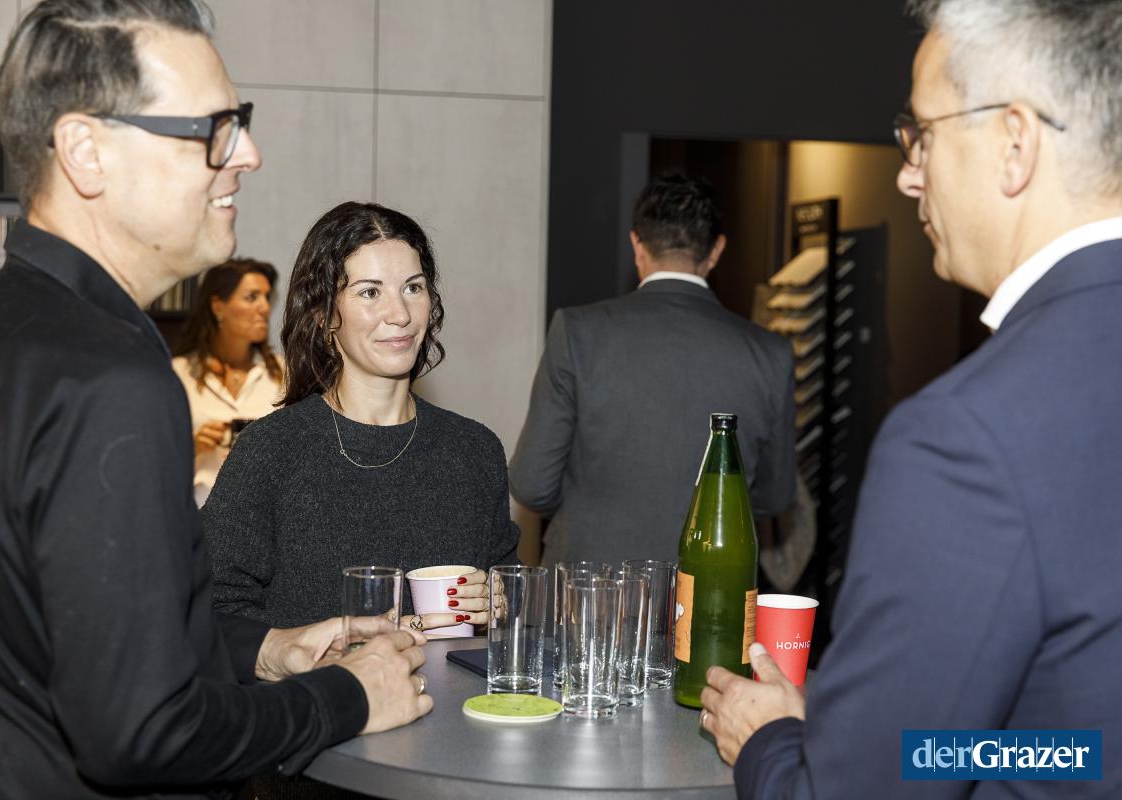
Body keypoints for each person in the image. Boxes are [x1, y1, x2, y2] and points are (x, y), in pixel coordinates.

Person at [0, 3, 431, 798]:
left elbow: (85, 644)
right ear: (86, 152)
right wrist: (349, 695)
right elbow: (142, 733)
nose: (248, 155)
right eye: (213, 129)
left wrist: (269, 651)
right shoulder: (111, 378)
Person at [700, 1, 1122, 797]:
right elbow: (1082, 748)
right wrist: (889, 735)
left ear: (1015, 143)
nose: (906, 173)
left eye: (921, 132)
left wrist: (773, 740)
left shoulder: (965, 437)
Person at [203, 201, 519, 629]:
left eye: (413, 288)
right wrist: (327, 647)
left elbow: (511, 592)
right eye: (370, 292)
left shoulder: (474, 449)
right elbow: (214, 609)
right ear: (323, 315)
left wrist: (498, 605)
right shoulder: (271, 451)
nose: (401, 315)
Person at [510, 174, 796, 569]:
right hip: (711, 584)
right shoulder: (770, 353)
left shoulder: (578, 332)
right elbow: (775, 496)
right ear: (716, 250)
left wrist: (592, 507)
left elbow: (531, 484)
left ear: (637, 245)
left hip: (592, 585)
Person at [172, 257, 284, 506]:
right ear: (218, 307)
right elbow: (151, 460)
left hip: (266, 514)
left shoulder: (285, 374)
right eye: (252, 297)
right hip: (197, 512)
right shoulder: (177, 374)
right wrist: (192, 447)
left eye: (267, 297)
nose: (265, 307)